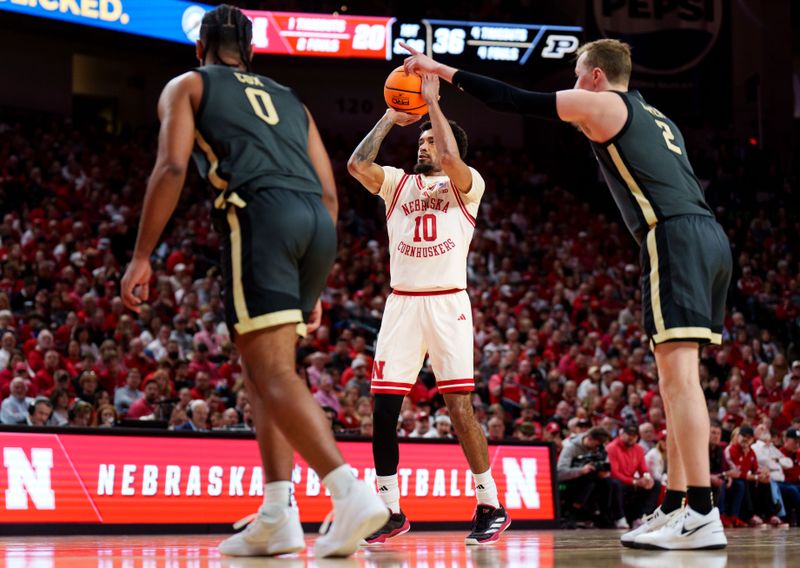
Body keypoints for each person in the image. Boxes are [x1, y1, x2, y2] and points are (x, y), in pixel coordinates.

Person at [402, 38, 731, 550]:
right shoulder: (657, 116)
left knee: (681, 381)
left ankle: (703, 512)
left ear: (597, 76)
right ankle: (675, 505)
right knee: (674, 382)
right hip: (708, 238)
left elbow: (512, 98)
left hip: (674, 237)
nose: (573, 85)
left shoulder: (601, 102)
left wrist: (437, 71)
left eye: (578, 74)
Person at [119, 5, 386, 558]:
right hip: (316, 222)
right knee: (261, 371)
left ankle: (348, 491)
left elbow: (171, 167)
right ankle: (277, 513)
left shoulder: (187, 85)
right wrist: (310, 287)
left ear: (201, 49)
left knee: (271, 372)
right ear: (253, 53)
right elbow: (331, 194)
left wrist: (142, 255)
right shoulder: (292, 99)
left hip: (259, 214)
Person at [347, 75, 509, 546]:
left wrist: (434, 105)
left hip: (447, 302)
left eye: (431, 141)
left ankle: (489, 503)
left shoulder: (467, 186)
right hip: (402, 305)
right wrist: (390, 118)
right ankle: (390, 510)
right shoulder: (397, 184)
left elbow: (454, 160)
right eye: (419, 141)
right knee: (382, 410)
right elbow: (358, 164)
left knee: (459, 407)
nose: (422, 147)